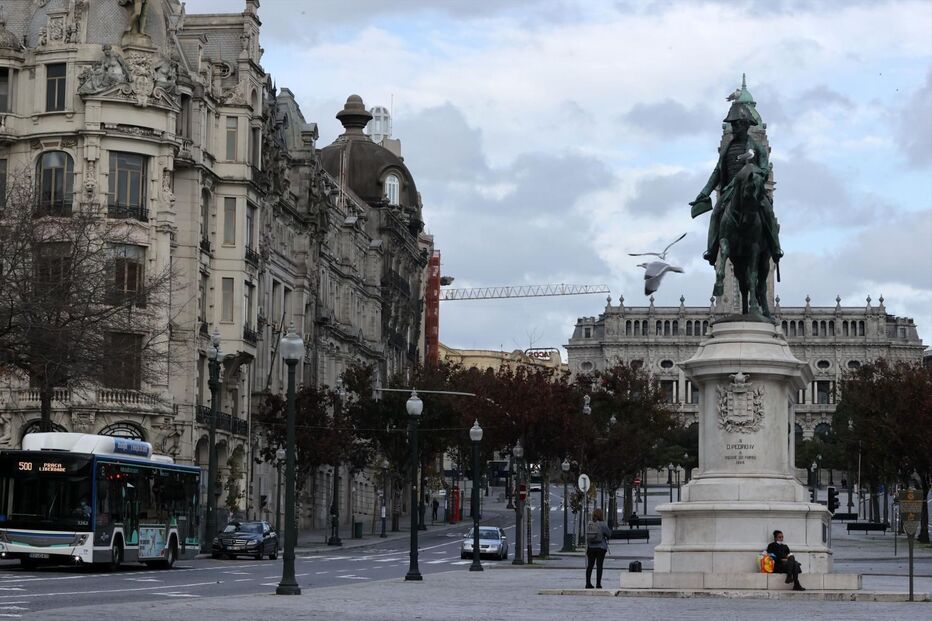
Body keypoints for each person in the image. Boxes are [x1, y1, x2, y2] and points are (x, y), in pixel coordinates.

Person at [585, 508, 612, 589]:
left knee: (590, 565)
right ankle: (598, 584)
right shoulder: (603, 524)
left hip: (590, 547)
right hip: (601, 547)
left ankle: (588, 583)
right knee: (599, 565)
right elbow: (609, 534)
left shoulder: (590, 523)